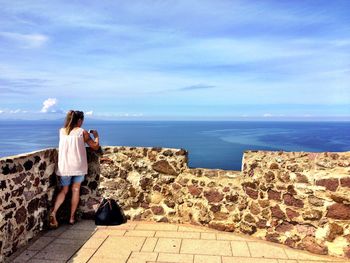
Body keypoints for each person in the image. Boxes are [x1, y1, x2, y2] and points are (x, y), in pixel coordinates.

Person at [49, 110, 100, 228]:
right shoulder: (82, 132)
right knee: (75, 190)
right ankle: (71, 218)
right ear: (79, 120)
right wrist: (96, 136)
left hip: (64, 166)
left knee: (64, 191)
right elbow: (95, 146)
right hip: (78, 166)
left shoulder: (62, 131)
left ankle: (54, 212)